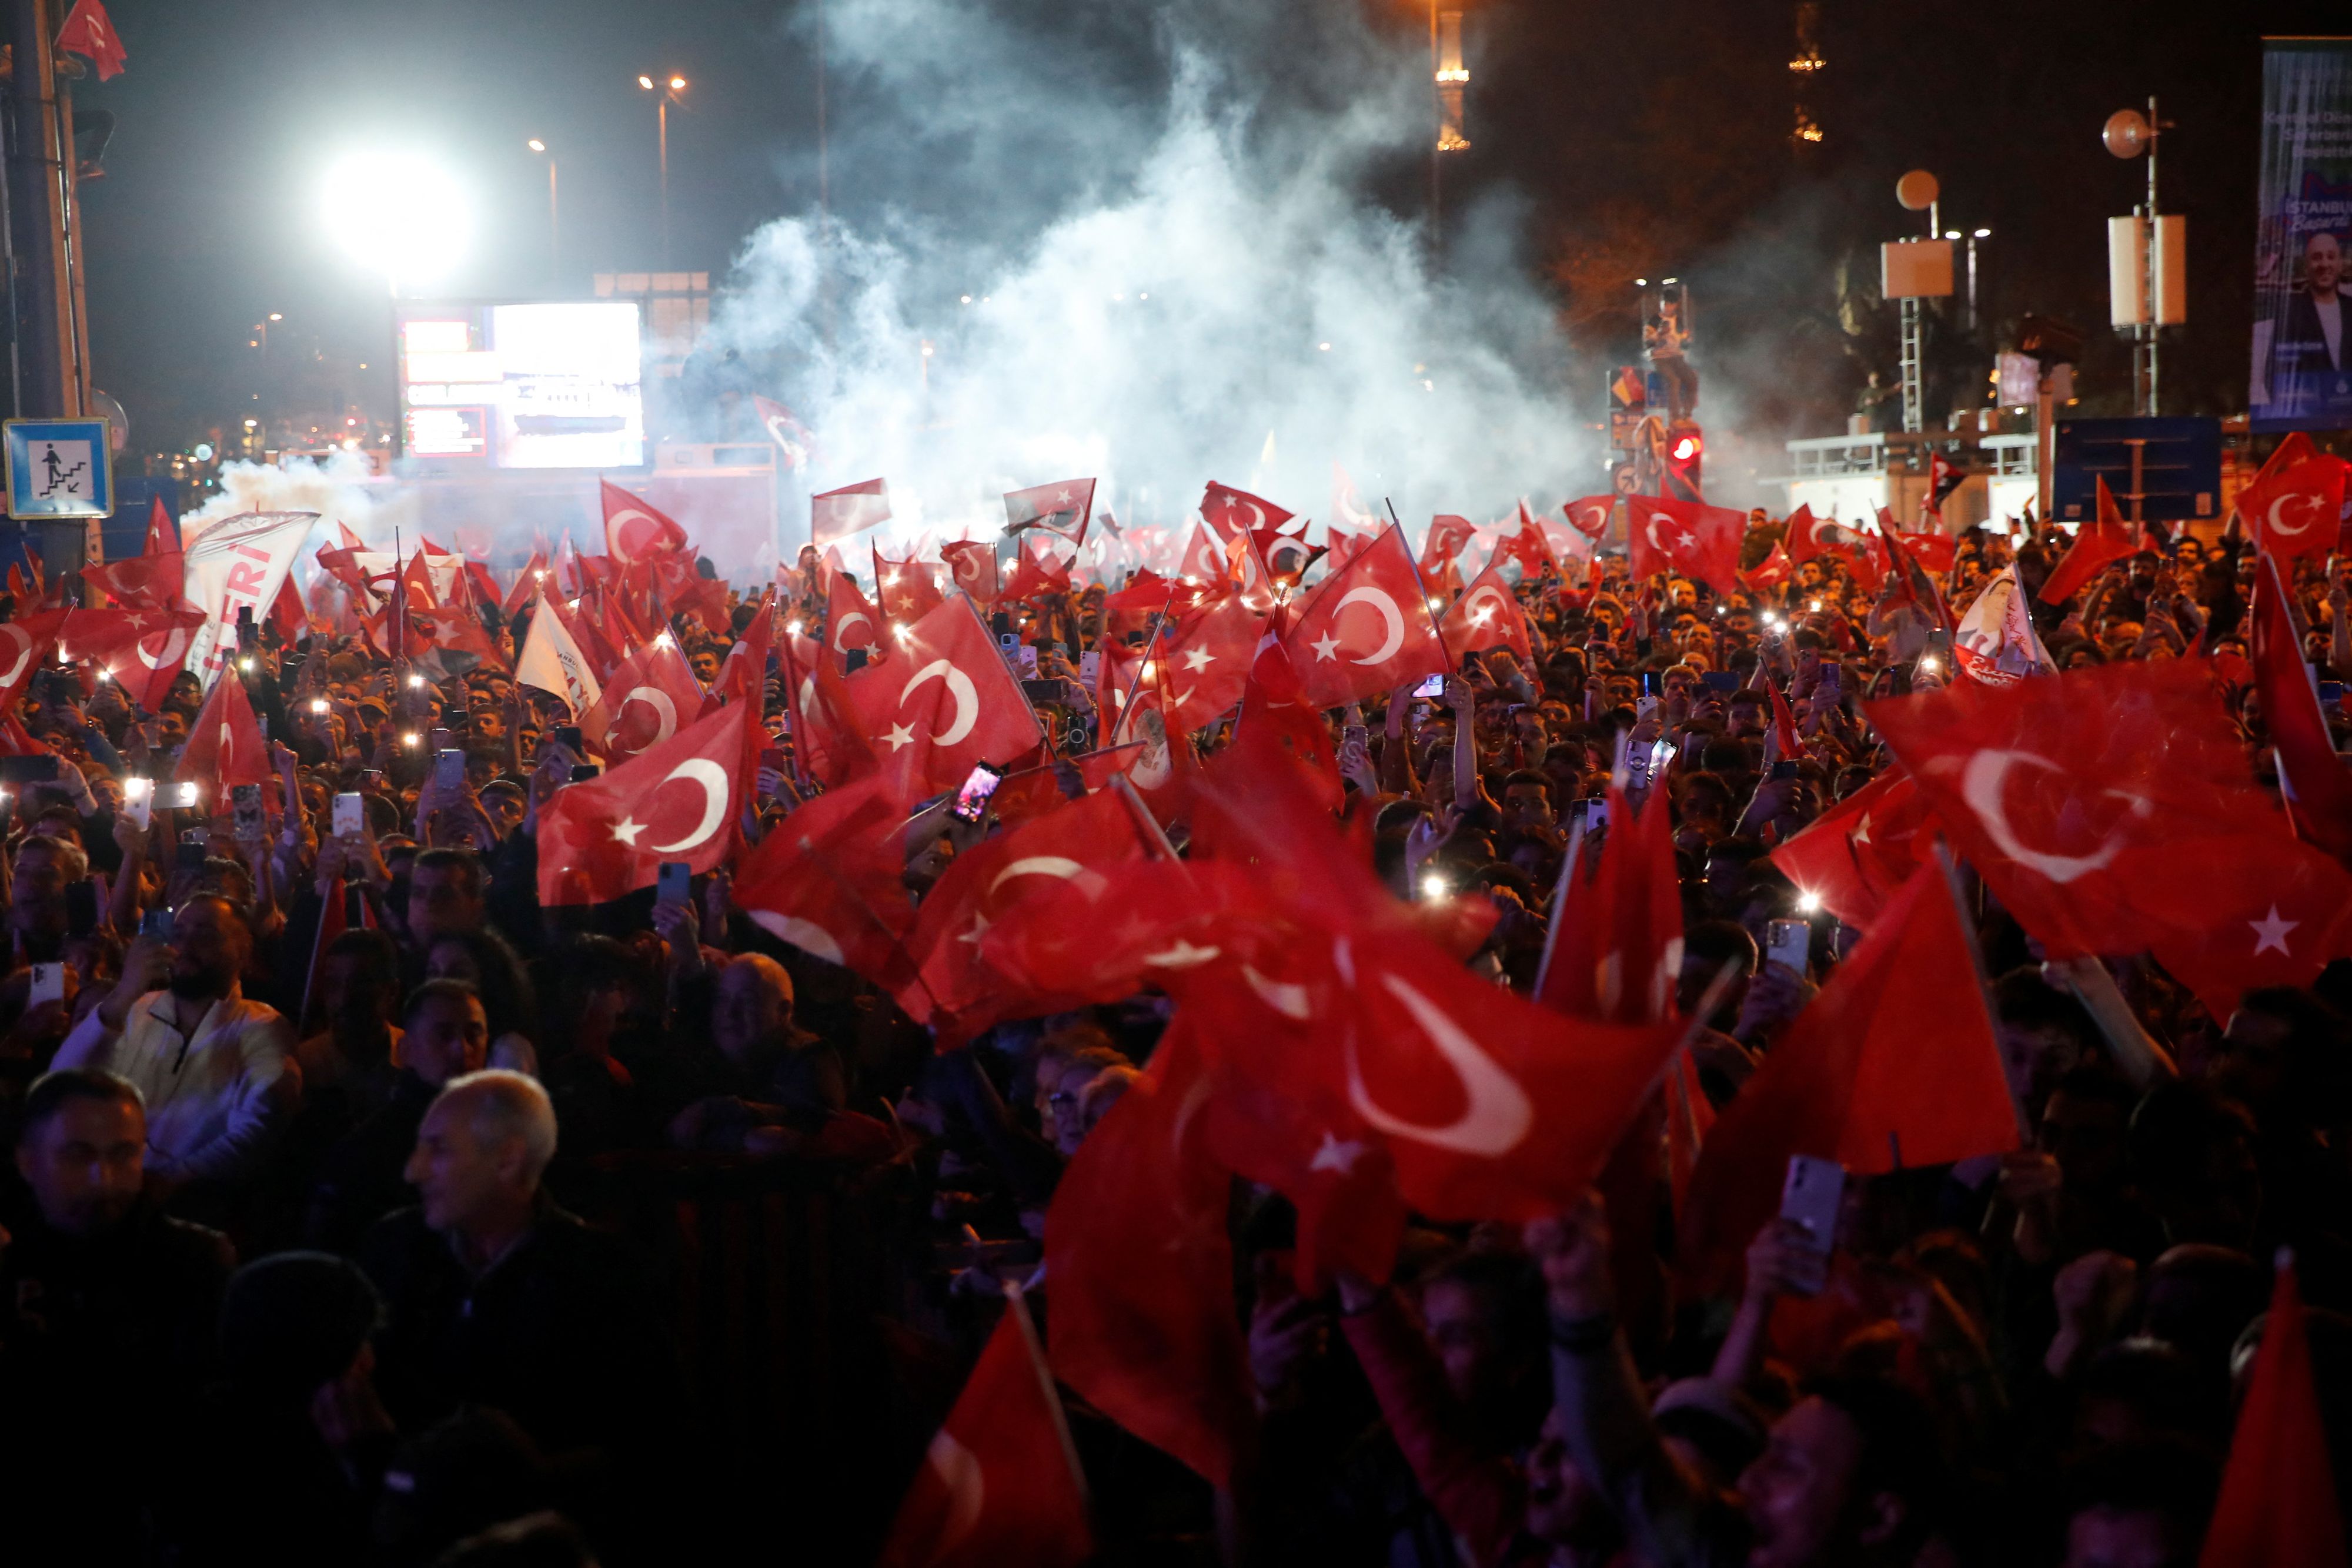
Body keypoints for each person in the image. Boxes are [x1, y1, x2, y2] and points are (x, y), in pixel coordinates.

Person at [360, 1071, 680, 1510]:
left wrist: (533, 1477)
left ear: (508, 1159)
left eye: (438, 1148)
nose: (412, 1170)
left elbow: (650, 1442)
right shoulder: (395, 1250)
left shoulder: (601, 1275)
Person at [0, 1069, 235, 1564]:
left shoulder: (192, 1262)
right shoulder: (12, 1261)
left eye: (123, 1154)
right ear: (27, 1160)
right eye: (78, 1155)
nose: (102, 1181)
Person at [52, 892, 300, 1201]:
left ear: (243, 952)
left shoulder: (261, 1025)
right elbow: (61, 1086)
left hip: (195, 1205)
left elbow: (257, 1127)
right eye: (178, 933)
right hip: (106, 1193)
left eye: (206, 934)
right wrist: (125, 992)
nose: (186, 945)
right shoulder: (131, 1009)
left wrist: (170, 1184)